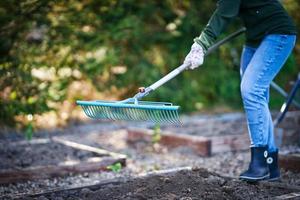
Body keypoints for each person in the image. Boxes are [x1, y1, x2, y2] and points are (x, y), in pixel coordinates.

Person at [184, 0, 297, 182]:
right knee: (257, 95)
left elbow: (224, 12)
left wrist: (200, 45)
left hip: (277, 34)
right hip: (255, 38)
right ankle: (270, 164)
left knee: (251, 90)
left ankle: (260, 163)